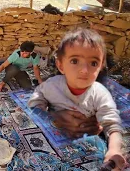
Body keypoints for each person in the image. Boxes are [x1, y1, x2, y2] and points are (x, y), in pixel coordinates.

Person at [28, 28, 125, 168]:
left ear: (100, 67)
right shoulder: (51, 86)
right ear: (60, 65)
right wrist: (53, 117)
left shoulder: (100, 93)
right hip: (53, 141)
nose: (84, 70)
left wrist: (114, 150)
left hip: (86, 143)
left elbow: (112, 125)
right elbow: (35, 103)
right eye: (74, 61)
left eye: (93, 63)